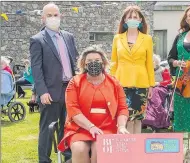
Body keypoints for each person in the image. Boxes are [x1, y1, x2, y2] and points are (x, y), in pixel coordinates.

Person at [57, 46, 129, 163]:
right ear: (84, 65)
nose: (93, 63)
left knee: (100, 149)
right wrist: (91, 127)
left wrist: (121, 126)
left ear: (103, 63)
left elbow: (122, 108)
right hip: (79, 129)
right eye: (89, 61)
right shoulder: (75, 82)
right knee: (79, 149)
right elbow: (73, 109)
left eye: (97, 61)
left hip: (107, 128)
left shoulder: (114, 83)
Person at [29, 3, 78, 163]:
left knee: (68, 126)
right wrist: (42, 91)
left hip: (69, 89)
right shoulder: (37, 40)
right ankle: (44, 159)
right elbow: (36, 68)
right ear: (43, 18)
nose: (52, 18)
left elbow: (74, 62)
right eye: (49, 15)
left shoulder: (69, 37)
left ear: (60, 16)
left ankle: (68, 157)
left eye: (55, 15)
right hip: (49, 92)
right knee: (47, 128)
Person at [110, 5, 155, 134]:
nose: (132, 19)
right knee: (126, 118)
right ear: (124, 20)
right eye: (129, 17)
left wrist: (151, 85)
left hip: (141, 83)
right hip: (121, 83)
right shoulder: (117, 38)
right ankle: (127, 148)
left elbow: (149, 64)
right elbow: (114, 63)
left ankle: (137, 148)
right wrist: (111, 82)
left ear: (141, 20)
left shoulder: (147, 39)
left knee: (138, 119)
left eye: (135, 17)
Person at [142, 54, 172, 131]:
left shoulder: (163, 69)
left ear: (156, 62)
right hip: (149, 88)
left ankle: (155, 119)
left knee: (154, 93)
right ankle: (147, 120)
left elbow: (168, 81)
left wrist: (158, 83)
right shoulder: (145, 71)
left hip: (161, 88)